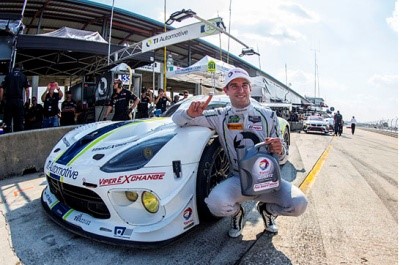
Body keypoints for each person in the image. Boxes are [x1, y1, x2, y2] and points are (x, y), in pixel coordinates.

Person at [172, 68, 308, 238]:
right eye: (234, 86)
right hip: (238, 180)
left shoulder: (268, 115)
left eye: (244, 85)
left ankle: (267, 210)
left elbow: (282, 158)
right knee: (215, 204)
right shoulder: (219, 116)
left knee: (300, 204)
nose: (241, 90)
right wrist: (189, 113)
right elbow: (178, 120)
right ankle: (237, 214)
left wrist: (280, 151)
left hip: (268, 180)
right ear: (226, 90)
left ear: (250, 89)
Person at [0, 67, 30, 133]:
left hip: (9, 101)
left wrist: (1, 100)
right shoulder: (23, 76)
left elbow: (1, 89)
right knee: (19, 123)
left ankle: (6, 136)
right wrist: (27, 100)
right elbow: (27, 89)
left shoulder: (8, 75)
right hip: (19, 101)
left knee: (6, 123)